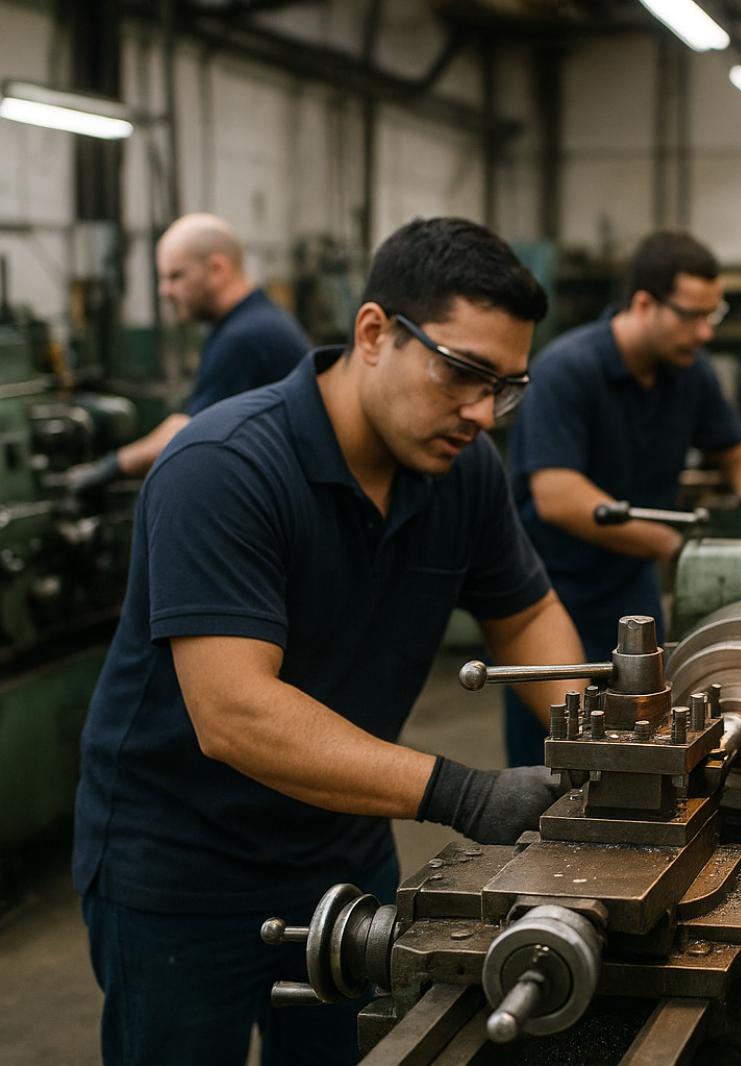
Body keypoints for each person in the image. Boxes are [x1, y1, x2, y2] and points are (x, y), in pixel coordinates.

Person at [72, 217, 586, 1066]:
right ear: (375, 332)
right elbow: (235, 713)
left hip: (339, 856)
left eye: (506, 385)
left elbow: (523, 614)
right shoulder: (224, 467)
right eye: (462, 373)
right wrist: (461, 792)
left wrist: (601, 737)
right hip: (180, 871)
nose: (482, 413)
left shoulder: (463, 471)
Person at [503, 231, 741, 766]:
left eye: (715, 314)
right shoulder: (568, 371)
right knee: (554, 765)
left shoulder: (687, 374)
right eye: (691, 315)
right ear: (644, 303)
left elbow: (739, 452)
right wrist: (674, 546)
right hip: (553, 599)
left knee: (642, 751)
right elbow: (557, 495)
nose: (705, 332)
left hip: (630, 593)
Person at [64, 212, 308, 491]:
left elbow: (189, 434)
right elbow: (188, 422)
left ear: (218, 270)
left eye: (176, 276)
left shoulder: (244, 338)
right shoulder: (253, 319)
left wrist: (110, 468)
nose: (165, 291)